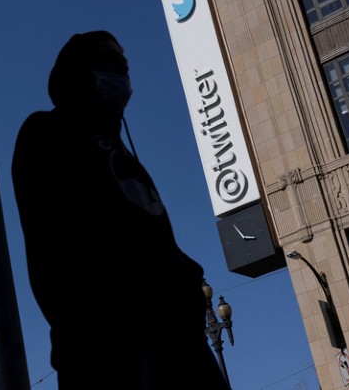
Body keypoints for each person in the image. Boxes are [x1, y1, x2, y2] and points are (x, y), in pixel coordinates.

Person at [12, 31, 229, 389]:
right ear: (79, 73)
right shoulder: (46, 133)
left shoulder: (123, 153)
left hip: (178, 347)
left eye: (124, 62)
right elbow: (53, 249)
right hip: (112, 353)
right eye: (110, 59)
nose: (123, 67)